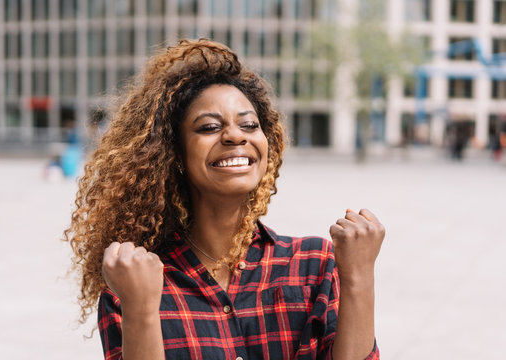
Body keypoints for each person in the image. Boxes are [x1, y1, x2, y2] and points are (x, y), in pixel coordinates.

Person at [65, 39, 384, 360]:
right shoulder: (133, 282)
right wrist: (143, 310)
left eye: (249, 124)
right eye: (210, 127)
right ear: (174, 153)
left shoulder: (312, 264)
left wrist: (358, 278)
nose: (235, 135)